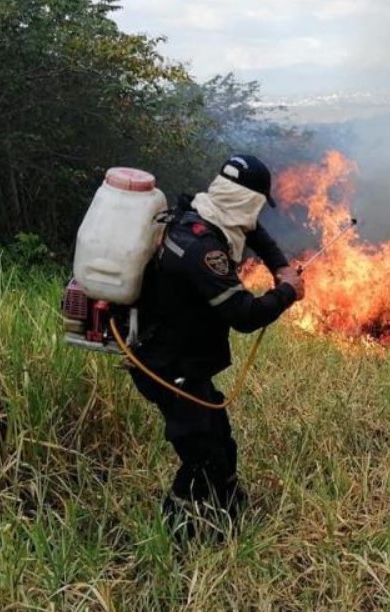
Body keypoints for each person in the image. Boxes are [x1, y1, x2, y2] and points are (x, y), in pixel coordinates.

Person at [128, 154, 304, 538]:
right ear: (246, 201)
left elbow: (253, 230)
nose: (256, 216)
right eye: (255, 204)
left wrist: (280, 267)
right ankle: (176, 536)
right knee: (201, 457)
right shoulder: (203, 252)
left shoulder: (200, 212)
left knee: (219, 437)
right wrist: (288, 293)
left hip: (182, 360)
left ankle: (230, 511)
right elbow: (243, 315)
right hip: (168, 368)